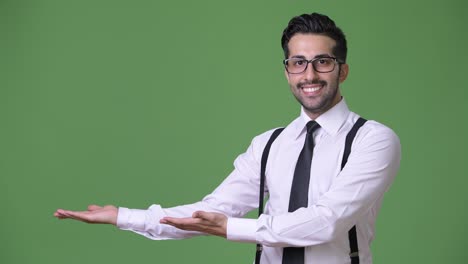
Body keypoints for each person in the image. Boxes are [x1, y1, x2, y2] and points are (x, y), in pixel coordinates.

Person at [54, 13, 401, 264]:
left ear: (342, 69)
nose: (309, 74)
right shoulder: (268, 145)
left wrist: (232, 228)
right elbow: (211, 212)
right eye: (298, 62)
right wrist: (124, 216)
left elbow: (327, 222)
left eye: (322, 62)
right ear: (287, 71)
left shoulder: (373, 140)